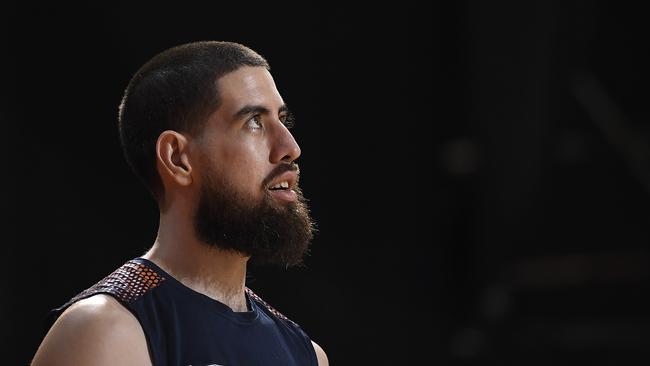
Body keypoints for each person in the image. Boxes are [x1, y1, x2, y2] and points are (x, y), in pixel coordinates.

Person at [31, 41, 328, 366]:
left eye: (283, 120)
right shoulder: (104, 334)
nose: (290, 147)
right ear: (178, 158)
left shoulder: (307, 355)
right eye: (254, 121)